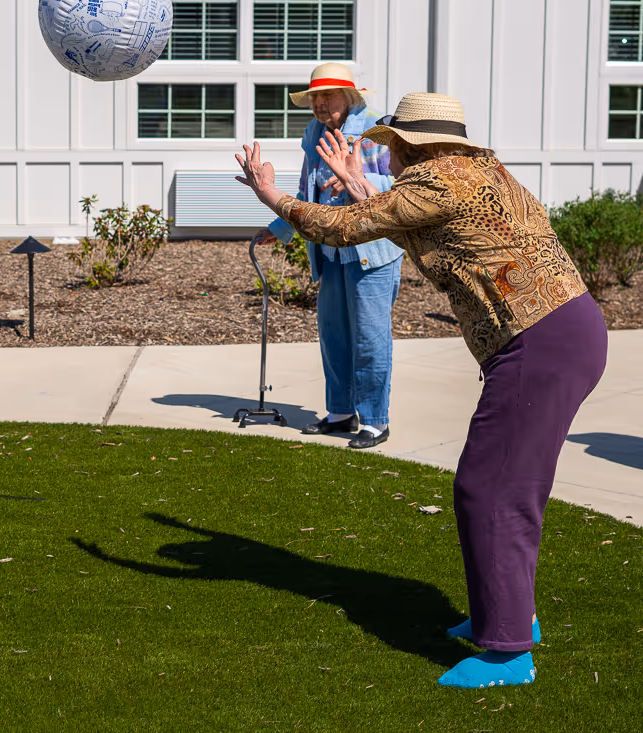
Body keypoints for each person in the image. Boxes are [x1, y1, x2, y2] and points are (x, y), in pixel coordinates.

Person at [234, 92, 606, 689]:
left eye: (390, 147)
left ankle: (508, 651)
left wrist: (271, 195)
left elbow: (345, 230)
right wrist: (364, 187)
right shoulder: (472, 169)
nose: (387, 156)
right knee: (511, 487)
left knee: (490, 489)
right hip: (560, 332)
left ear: (410, 146)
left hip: (541, 342)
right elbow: (407, 226)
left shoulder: (436, 180)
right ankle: (509, 616)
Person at [259, 63, 403, 448]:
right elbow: (309, 191)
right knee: (333, 336)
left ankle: (375, 420)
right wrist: (282, 227)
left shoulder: (376, 131)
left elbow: (403, 186)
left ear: (350, 97)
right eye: (314, 98)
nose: (320, 104)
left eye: (328, 95)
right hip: (331, 251)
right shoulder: (315, 133)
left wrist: (358, 179)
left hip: (372, 252)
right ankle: (341, 413)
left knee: (370, 339)